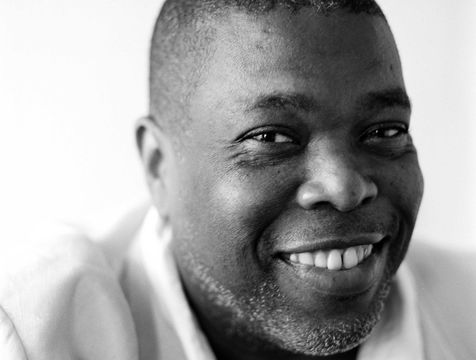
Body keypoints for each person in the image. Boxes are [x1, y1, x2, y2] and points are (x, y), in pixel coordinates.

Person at [1, 1, 475, 359]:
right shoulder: (31, 333)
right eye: (270, 137)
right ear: (157, 167)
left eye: (385, 130)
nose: (344, 187)